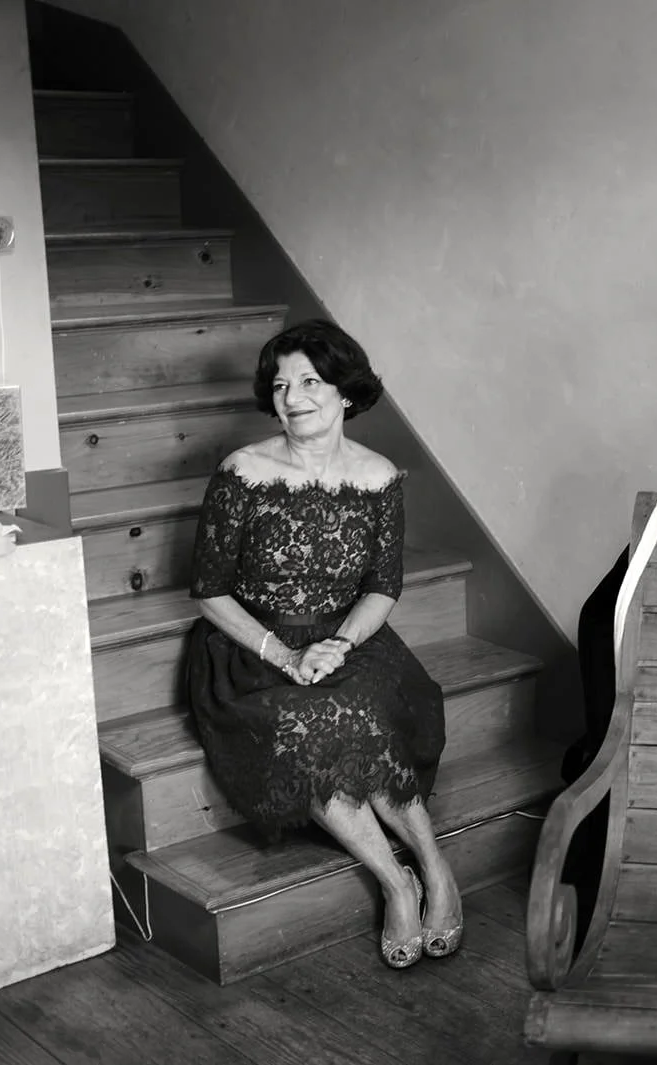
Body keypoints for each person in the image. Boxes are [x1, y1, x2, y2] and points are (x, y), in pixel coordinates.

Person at [184, 318, 459, 969]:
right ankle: (399, 883)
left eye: (310, 379)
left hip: (348, 638)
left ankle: (437, 869)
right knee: (309, 729)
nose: (293, 395)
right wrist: (282, 654)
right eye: (281, 383)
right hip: (250, 650)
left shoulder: (379, 477)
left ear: (344, 391)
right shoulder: (242, 472)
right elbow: (207, 590)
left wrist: (337, 644)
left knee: (363, 713)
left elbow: (383, 587)